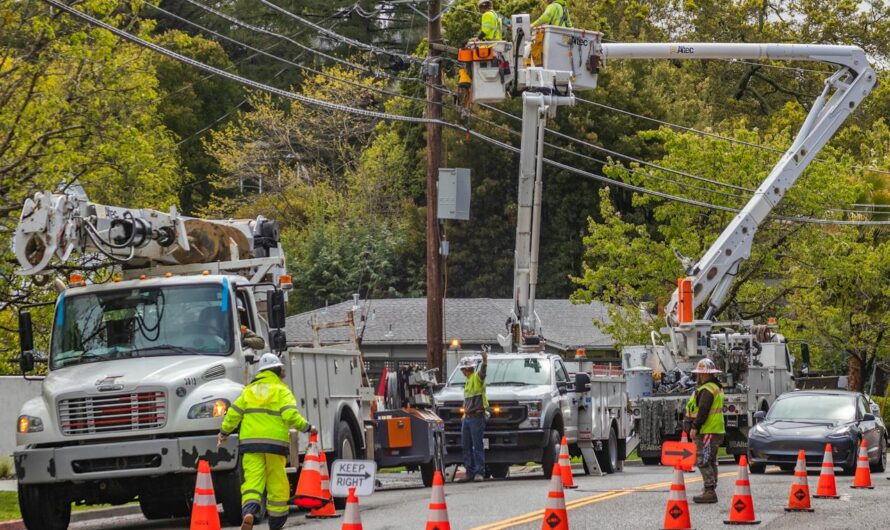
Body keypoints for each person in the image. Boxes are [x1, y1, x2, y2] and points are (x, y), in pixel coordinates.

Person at [218, 353, 317, 530]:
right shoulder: (282, 391)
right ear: (278, 370)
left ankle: (249, 510)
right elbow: (290, 416)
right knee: (276, 480)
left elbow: (233, 414)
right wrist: (308, 428)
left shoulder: (248, 391)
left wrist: (224, 432)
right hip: (275, 444)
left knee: (253, 480)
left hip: (250, 444)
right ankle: (276, 522)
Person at [685, 358, 725, 504]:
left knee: (702, 461)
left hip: (708, 431)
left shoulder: (707, 389)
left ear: (707, 375)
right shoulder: (716, 387)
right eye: (699, 374)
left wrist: (695, 427)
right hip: (715, 430)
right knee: (711, 460)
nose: (699, 376)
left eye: (702, 374)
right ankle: (710, 488)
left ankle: (709, 490)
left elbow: (703, 410)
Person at [459, 348, 489, 482]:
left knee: (477, 445)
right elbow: (468, 399)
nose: (462, 372)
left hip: (477, 416)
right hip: (468, 417)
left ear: (467, 369)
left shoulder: (477, 377)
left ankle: (479, 472)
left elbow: (483, 373)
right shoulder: (468, 381)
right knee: (466, 445)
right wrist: (465, 413)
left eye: (463, 369)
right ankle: (469, 472)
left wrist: (485, 361)